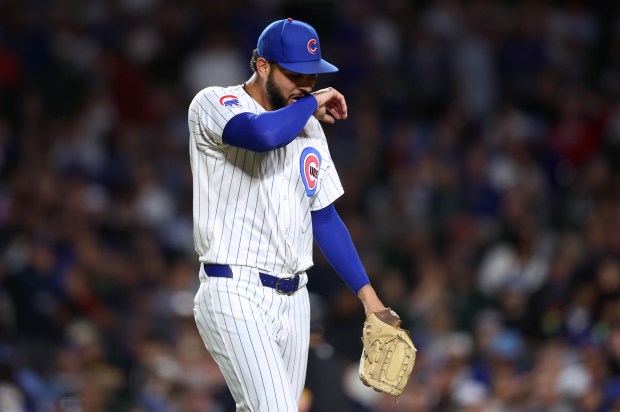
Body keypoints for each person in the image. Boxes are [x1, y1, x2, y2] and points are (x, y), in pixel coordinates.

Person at [188, 18, 385, 411]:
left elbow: (325, 218)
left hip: (295, 300)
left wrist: (370, 299)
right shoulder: (214, 102)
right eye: (295, 75)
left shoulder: (311, 130)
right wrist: (314, 103)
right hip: (233, 289)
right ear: (262, 66)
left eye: (313, 78)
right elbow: (261, 135)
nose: (306, 86)